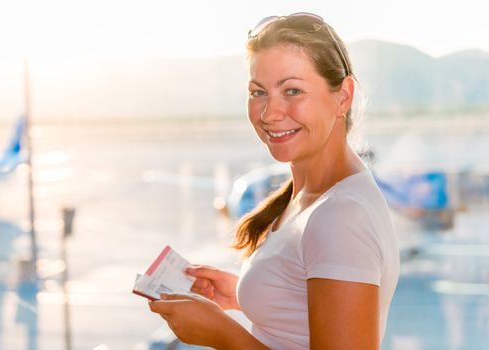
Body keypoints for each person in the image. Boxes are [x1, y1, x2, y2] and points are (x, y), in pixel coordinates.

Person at [149, 12, 399, 349]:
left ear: (343, 96)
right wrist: (247, 293)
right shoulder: (311, 195)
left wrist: (223, 334)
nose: (269, 113)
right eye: (258, 93)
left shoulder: (341, 215)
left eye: (293, 90)